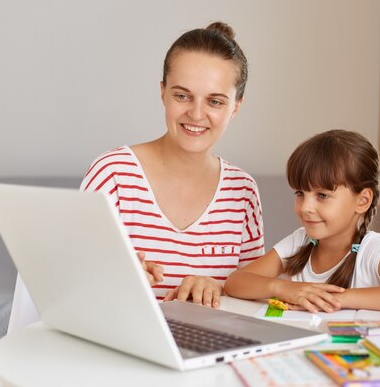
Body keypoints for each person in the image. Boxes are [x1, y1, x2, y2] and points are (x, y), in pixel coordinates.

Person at [81, 22, 264, 308]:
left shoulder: (243, 192)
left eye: (215, 101)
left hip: (210, 348)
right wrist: (118, 279)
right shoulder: (112, 174)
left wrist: (217, 287)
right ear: (162, 92)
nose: (196, 113)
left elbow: (253, 298)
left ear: (236, 106)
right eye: (182, 95)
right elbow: (73, 283)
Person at [224, 130, 380, 312]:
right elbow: (235, 282)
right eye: (300, 193)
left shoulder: (370, 250)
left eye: (322, 196)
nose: (305, 207)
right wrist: (282, 288)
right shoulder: (299, 242)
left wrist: (339, 298)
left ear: (362, 201)